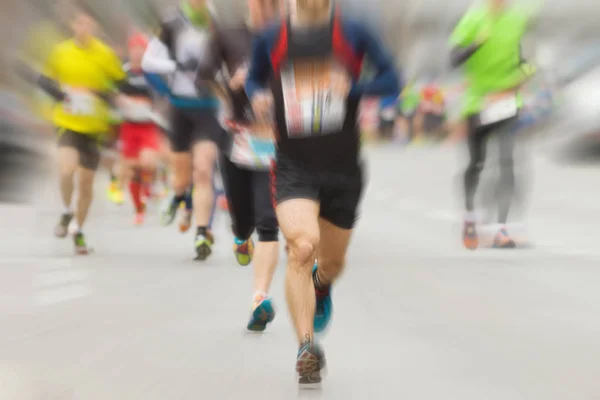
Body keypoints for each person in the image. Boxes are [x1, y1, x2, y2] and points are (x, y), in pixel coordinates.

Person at [246, 0, 400, 386]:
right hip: (294, 162)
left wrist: (353, 86)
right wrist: (258, 95)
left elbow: (393, 80)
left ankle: (323, 283)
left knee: (331, 263)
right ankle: (306, 348)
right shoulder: (272, 36)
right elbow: (253, 78)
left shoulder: (354, 32)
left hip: (343, 167)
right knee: (301, 246)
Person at [197, 0, 282, 331]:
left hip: (271, 140)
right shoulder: (229, 36)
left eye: (273, 4)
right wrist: (228, 84)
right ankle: (238, 234)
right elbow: (204, 74)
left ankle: (259, 298)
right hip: (236, 139)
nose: (266, 9)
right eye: (261, 3)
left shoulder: (287, 38)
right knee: (242, 220)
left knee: (268, 221)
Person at [36, 7, 126, 254]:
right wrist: (63, 95)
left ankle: (78, 229)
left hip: (95, 126)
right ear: (73, 26)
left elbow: (120, 84)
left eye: (88, 24)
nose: (83, 28)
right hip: (68, 121)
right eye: (79, 24)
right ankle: (66, 211)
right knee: (66, 169)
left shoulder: (105, 54)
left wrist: (99, 94)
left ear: (94, 27)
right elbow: (43, 80)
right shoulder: (61, 51)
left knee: (86, 184)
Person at [450, 0, 538, 250]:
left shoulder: (517, 19)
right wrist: (477, 42)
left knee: (507, 161)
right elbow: (454, 59)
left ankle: (501, 228)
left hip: (507, 99)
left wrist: (517, 81)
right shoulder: (473, 18)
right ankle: (469, 216)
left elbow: (528, 61)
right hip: (478, 102)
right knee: (476, 163)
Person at [142, 0, 223, 260]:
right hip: (180, 108)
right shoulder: (170, 24)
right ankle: (178, 196)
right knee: (181, 177)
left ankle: (202, 231)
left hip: (208, 108)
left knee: (203, 170)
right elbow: (148, 63)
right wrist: (175, 68)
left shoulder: (216, 25)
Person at [118, 33, 162, 225]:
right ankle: (138, 210)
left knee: (148, 162)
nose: (137, 53)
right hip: (128, 125)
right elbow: (114, 92)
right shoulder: (123, 72)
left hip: (148, 125)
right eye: (134, 49)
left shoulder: (152, 74)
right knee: (133, 168)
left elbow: (162, 94)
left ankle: (150, 185)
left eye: (141, 50)